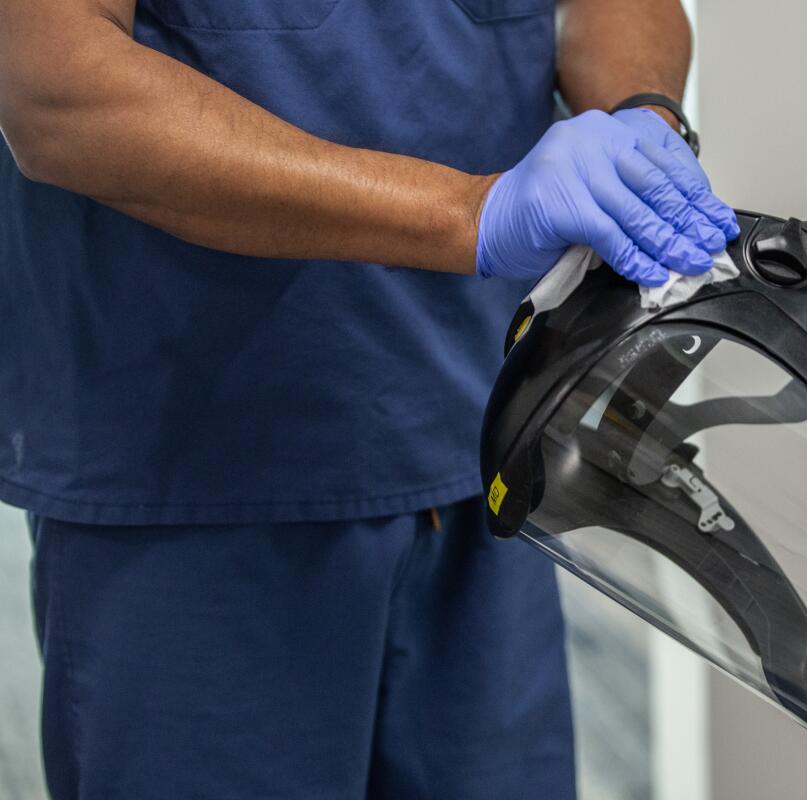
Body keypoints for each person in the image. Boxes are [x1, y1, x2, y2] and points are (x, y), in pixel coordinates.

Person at [0, 0, 736, 796]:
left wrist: (641, 115)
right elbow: (51, 85)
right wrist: (469, 212)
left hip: (490, 453)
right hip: (198, 484)